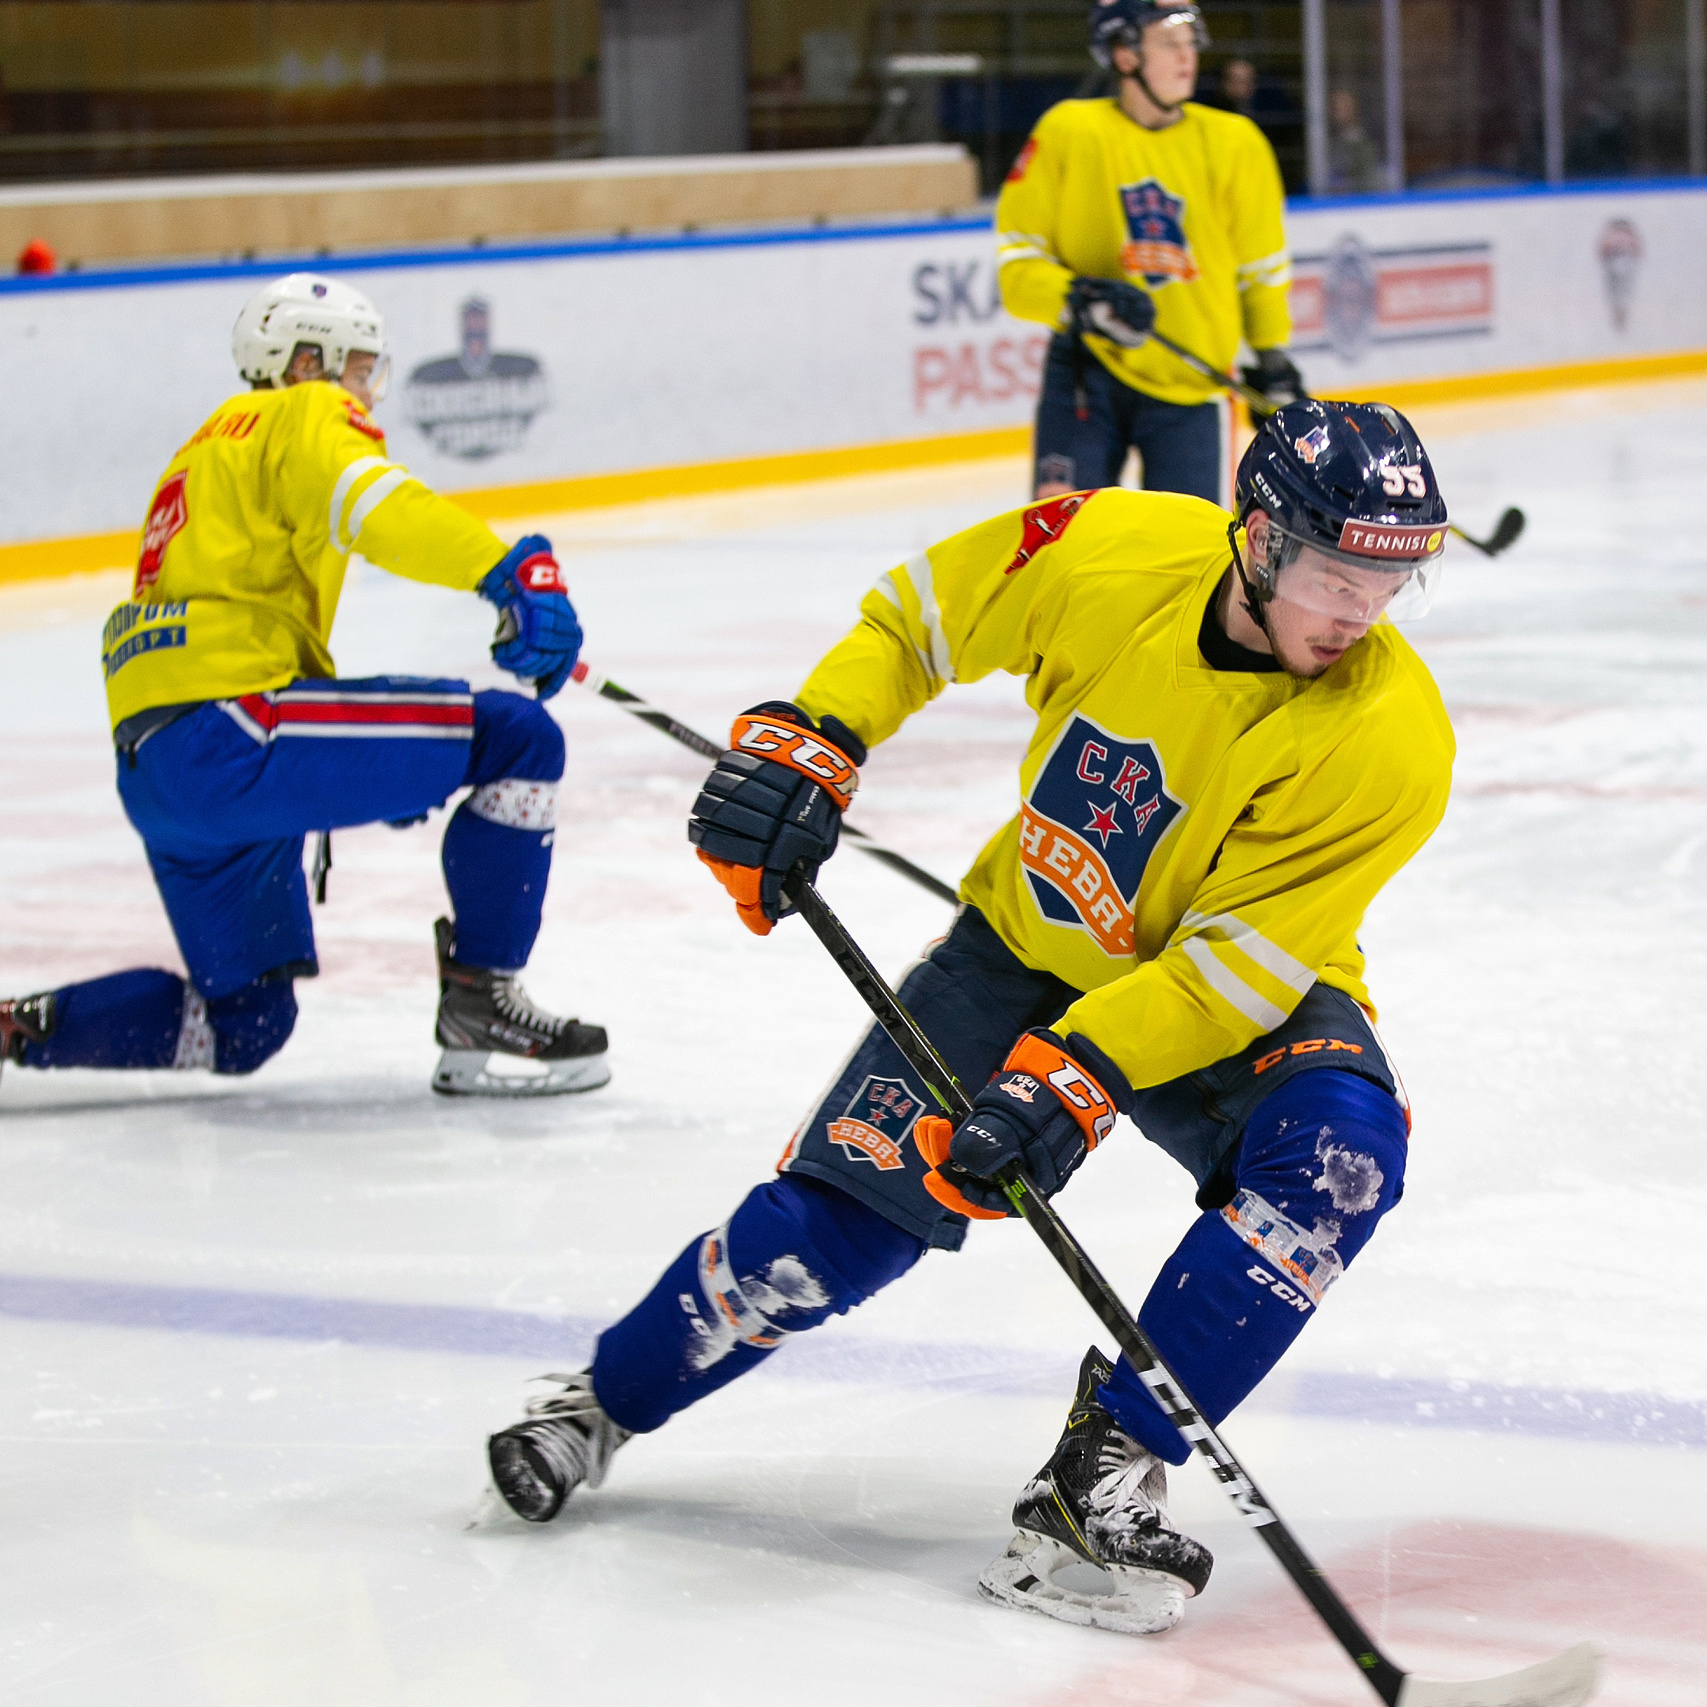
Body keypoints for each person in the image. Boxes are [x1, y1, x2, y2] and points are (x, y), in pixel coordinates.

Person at [481, 399, 1454, 1638]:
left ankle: (1093, 1487)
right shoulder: (1111, 550)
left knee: (1340, 1155)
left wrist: (1082, 1074)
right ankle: (599, 1403)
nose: (1360, 616)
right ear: (1258, 539)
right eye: (1335, 574)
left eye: (1394, 581)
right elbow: (922, 617)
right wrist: (818, 739)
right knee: (830, 1234)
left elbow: (1236, 969)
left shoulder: (1391, 737)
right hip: (1026, 951)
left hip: (1231, 994)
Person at [0, 273, 607, 1099]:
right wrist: (504, 572)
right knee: (517, 737)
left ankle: (22, 1029)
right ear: (304, 361)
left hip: (159, 767)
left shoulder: (206, 444)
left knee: (244, 1025)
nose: (365, 392)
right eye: (356, 366)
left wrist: (349, 774)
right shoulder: (304, 411)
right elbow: (375, 504)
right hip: (234, 732)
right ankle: (482, 1000)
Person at [996, 0, 1306, 507]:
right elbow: (1017, 264)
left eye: (1190, 43)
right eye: (1168, 43)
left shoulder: (1236, 144)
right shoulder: (1069, 132)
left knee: (1187, 560)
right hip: (1084, 375)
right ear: (1124, 56)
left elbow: (1262, 272)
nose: (1188, 58)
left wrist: (1271, 356)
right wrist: (1076, 299)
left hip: (1191, 385)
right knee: (1061, 546)